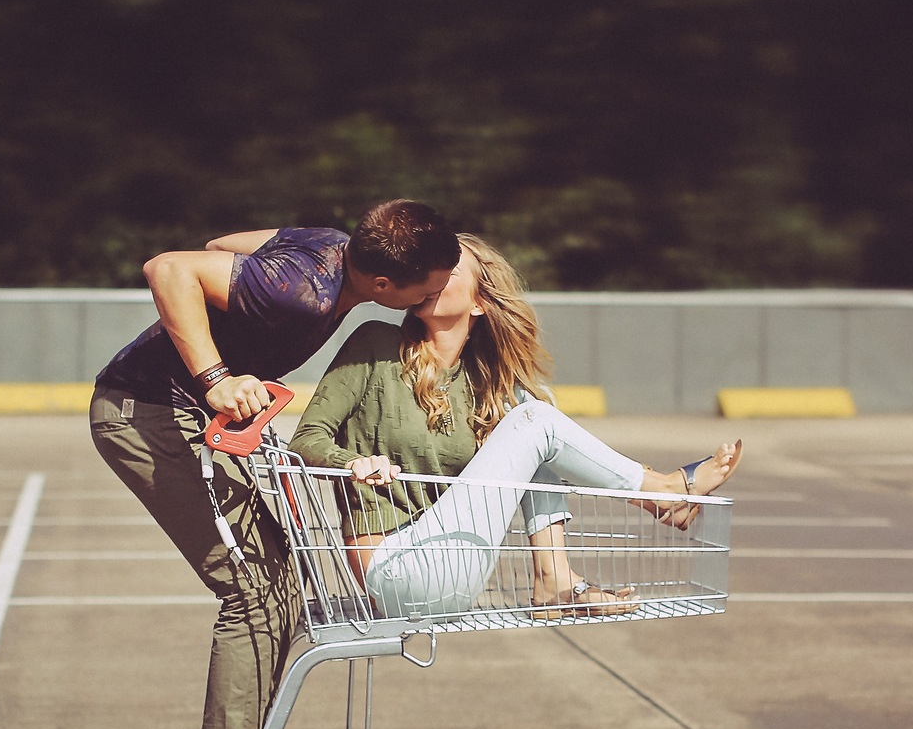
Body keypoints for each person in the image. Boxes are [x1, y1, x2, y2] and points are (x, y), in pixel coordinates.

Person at [89, 200, 459, 729]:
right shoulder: (306, 294)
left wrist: (239, 329)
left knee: (277, 585)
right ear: (381, 285)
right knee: (256, 591)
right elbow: (170, 266)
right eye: (424, 289)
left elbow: (221, 242)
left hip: (165, 414)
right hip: (146, 414)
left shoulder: (327, 248)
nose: (434, 296)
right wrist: (216, 378)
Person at [288, 234, 742, 621]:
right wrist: (352, 461)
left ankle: (554, 579)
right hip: (394, 572)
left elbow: (526, 426)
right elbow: (306, 440)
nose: (432, 276)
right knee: (536, 420)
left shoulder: (486, 388)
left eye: (448, 272)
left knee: (529, 408)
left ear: (480, 303)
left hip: (457, 566)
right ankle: (661, 492)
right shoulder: (375, 342)